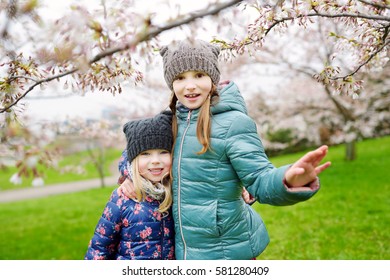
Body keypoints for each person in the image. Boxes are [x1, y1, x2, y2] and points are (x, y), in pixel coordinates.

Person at [118, 39, 331, 260]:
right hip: (183, 250)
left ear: (213, 79)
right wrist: (128, 175)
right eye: (180, 78)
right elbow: (136, 152)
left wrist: (288, 180)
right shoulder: (169, 122)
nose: (190, 85)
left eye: (199, 75)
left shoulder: (233, 124)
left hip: (226, 249)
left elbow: (259, 179)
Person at [85, 112, 175, 260]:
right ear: (133, 160)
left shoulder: (175, 192)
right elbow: (99, 248)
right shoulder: (122, 198)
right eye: (145, 154)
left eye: (163, 152)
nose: (155, 161)